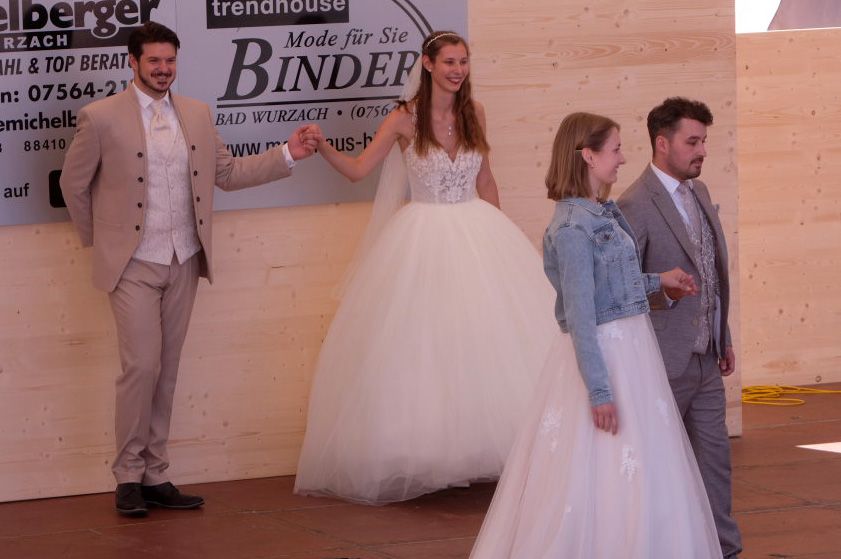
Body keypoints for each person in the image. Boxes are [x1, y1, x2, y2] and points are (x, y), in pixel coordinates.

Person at [59, 21, 319, 517]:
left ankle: (155, 475)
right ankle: (127, 476)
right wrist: (103, 243)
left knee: (167, 371)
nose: (163, 69)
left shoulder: (197, 113)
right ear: (132, 62)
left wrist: (289, 153)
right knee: (141, 368)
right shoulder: (100, 117)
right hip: (133, 264)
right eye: (154, 61)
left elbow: (228, 173)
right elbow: (74, 185)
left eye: (170, 60)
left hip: (183, 258)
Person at [292, 31, 558, 505]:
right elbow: (358, 170)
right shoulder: (403, 118)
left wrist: (500, 236)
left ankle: (486, 446)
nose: (458, 70)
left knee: (485, 340)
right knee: (426, 344)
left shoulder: (475, 113)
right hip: (423, 235)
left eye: (464, 62)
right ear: (428, 64)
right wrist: (324, 147)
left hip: (478, 231)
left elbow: (485, 179)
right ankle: (430, 451)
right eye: (450, 61)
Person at [469, 112, 722, 558]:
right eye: (615, 149)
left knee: (640, 464)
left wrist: (659, 281)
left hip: (631, 352)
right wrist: (600, 390)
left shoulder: (602, 212)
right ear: (588, 156)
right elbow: (581, 314)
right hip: (606, 358)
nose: (622, 158)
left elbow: (613, 288)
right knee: (599, 468)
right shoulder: (572, 228)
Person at [617, 97, 742, 558]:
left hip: (707, 358)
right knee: (658, 466)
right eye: (693, 142)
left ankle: (724, 549)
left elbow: (713, 270)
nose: (702, 150)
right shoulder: (634, 203)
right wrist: (666, 292)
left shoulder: (701, 192)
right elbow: (622, 289)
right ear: (662, 143)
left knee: (716, 462)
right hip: (661, 361)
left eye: (704, 141)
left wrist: (722, 334)